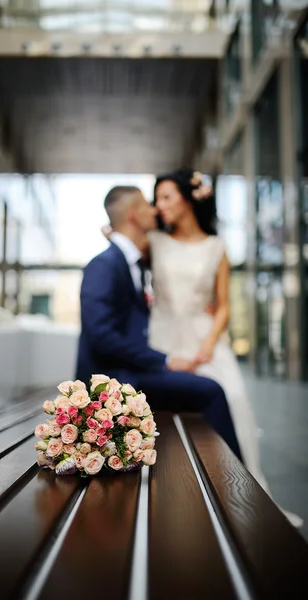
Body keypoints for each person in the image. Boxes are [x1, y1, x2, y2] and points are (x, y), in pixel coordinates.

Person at [148, 168, 302, 527]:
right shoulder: (153, 240)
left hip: (204, 337)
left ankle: (240, 492)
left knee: (232, 397)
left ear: (189, 199)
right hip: (162, 337)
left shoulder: (217, 247)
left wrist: (208, 345)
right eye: (157, 198)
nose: (160, 205)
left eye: (167, 197)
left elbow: (224, 305)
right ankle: (169, 492)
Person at [76, 185, 243, 460]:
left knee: (207, 387)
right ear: (133, 214)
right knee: (211, 390)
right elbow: (102, 336)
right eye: (147, 205)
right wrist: (165, 360)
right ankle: (234, 484)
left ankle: (218, 475)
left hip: (130, 369)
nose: (154, 209)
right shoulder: (104, 264)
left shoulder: (129, 261)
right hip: (115, 379)